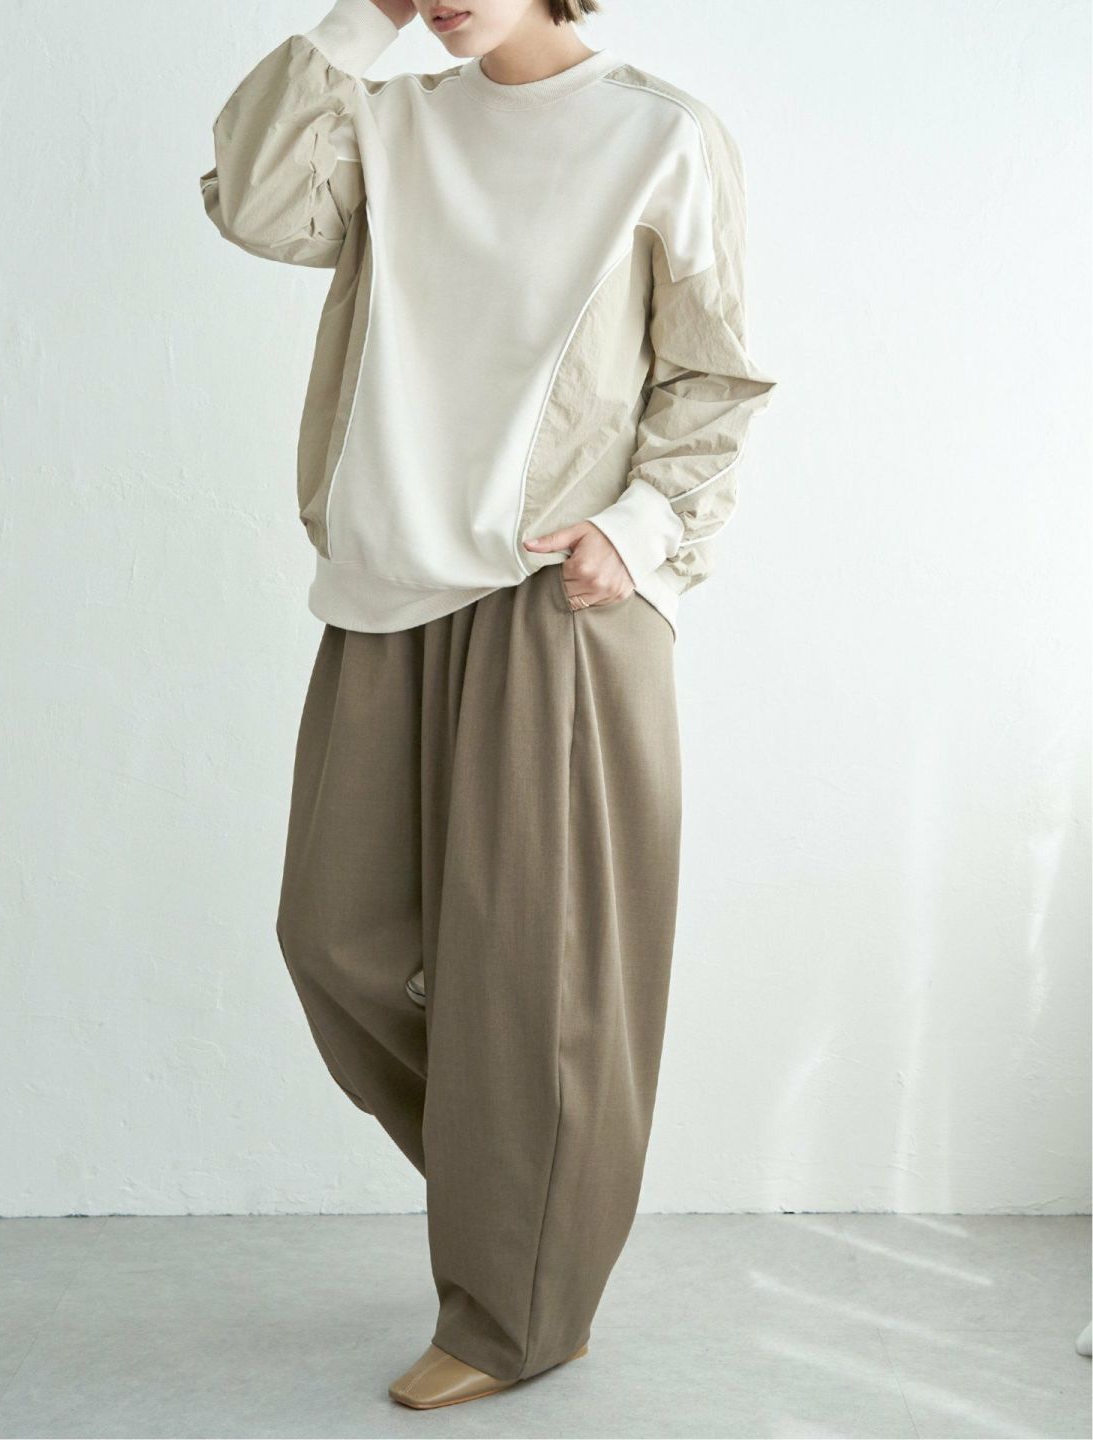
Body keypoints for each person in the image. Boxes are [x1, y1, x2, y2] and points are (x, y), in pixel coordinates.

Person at [200, 0, 777, 1410]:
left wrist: (639, 528)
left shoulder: (660, 135)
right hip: (387, 585)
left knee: (536, 982)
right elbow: (255, 204)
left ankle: (519, 1307)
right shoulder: (388, 122)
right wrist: (364, 25)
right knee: (335, 940)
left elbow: (714, 376)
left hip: (556, 596)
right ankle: (526, 1194)